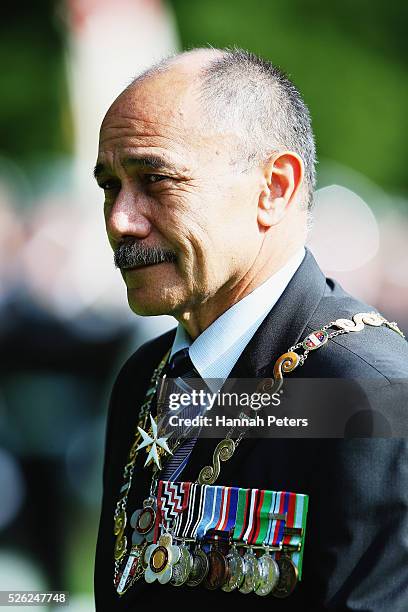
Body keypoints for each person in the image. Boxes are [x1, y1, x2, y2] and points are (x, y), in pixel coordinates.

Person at [93, 48, 408, 610]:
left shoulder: (369, 392)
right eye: (110, 186)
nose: (121, 219)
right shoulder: (146, 376)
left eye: (154, 179)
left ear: (274, 188)